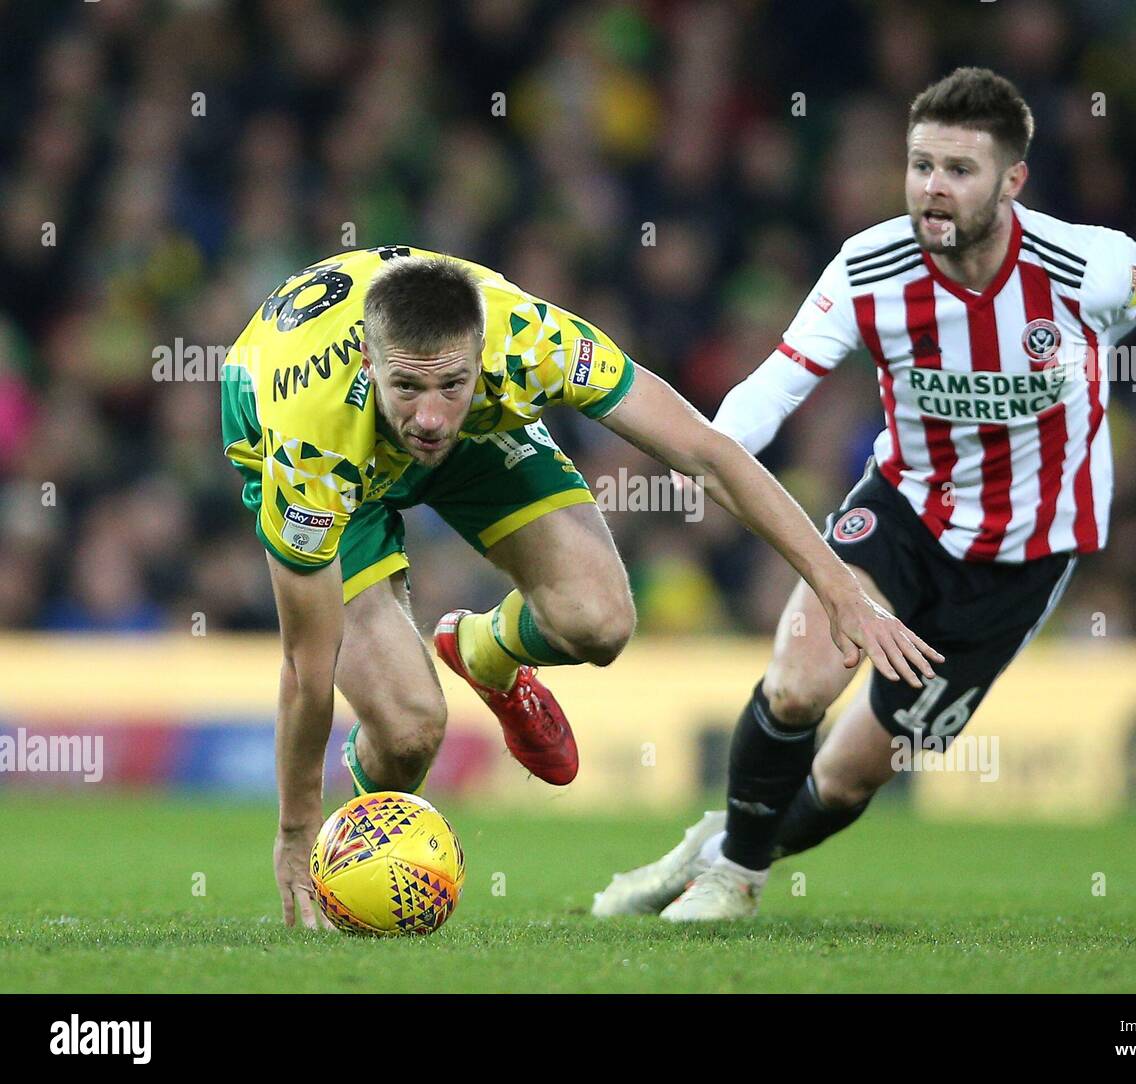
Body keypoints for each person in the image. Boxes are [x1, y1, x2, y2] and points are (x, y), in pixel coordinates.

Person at [220, 245, 943, 927]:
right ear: (370, 365)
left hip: (469, 435)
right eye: (407, 386)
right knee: (409, 732)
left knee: (598, 622)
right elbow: (306, 667)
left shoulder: (533, 341)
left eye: (453, 383)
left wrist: (838, 589)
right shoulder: (308, 439)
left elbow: (708, 456)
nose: (432, 416)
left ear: (483, 358)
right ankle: (360, 856)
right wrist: (295, 826)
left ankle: (485, 652)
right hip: (331, 452)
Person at [592, 67, 1136, 922]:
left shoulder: (1091, 272)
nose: (933, 188)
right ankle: (737, 879)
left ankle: (714, 850)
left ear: (1012, 182)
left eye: (959, 170)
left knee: (849, 780)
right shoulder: (871, 266)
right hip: (901, 513)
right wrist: (707, 445)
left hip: (1025, 556)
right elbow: (778, 382)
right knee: (796, 685)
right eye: (920, 164)